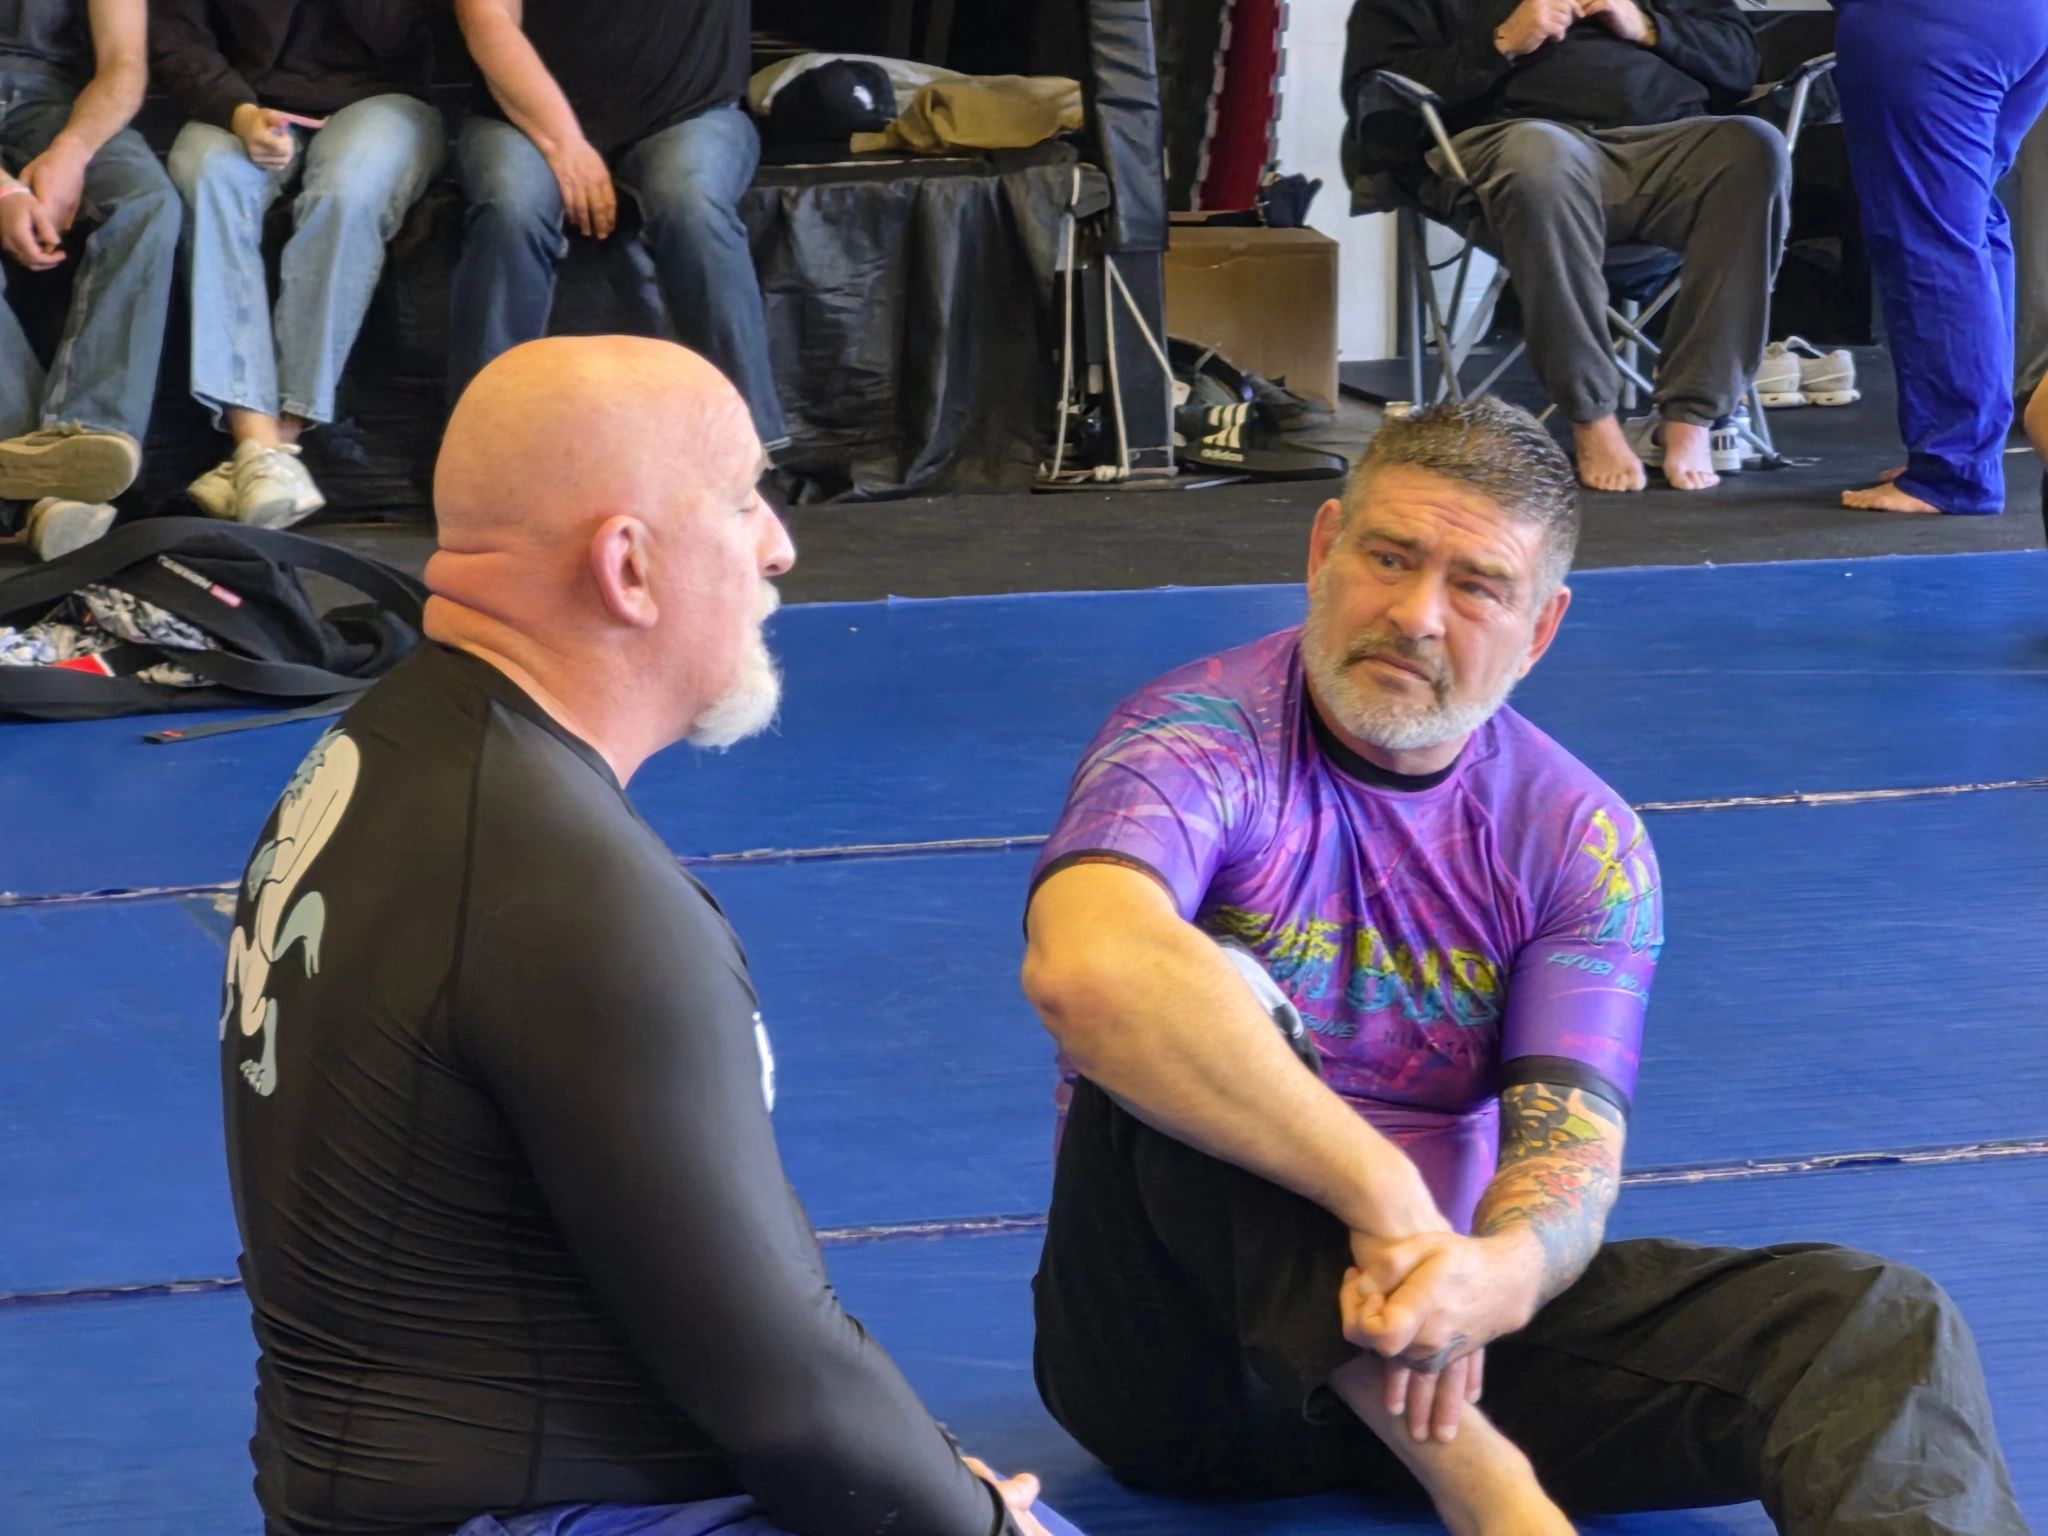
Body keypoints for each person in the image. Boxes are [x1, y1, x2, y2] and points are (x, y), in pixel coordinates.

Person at [1023, 397, 2027, 1532]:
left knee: (1872, 1320)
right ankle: (1490, 1496)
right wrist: (1380, 1191)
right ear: (1321, 550)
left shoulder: (1576, 837)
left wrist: (1494, 1274)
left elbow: (1568, 1141)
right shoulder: (1195, 739)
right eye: (1388, 559)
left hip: (1451, 1344)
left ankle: (1454, 1416)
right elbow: (1085, 967)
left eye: (1473, 587)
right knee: (1201, 1006)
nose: (1413, 616)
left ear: (1539, 627)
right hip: (1187, 1372)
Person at [217, 335, 1064, 1536]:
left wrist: (918, 1472)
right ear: (629, 566)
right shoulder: (569, 893)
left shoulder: (388, 748)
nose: (779, 543)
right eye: (742, 501)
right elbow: (791, 1398)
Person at [1345, 0, 1786, 494]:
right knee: (1541, 154)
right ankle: (1591, 414)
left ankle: (1692, 416)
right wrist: (1501, 42)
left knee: (1753, 148)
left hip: (1664, 142)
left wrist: (1649, 28)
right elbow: (1378, 89)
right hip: (1513, 142)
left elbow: (1740, 61)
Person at [449, 0, 788, 458]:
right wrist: (563, 142)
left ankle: (752, 454)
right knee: (512, 209)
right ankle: (483, 456)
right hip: (522, 117)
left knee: (692, 206)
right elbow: (486, 16)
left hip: (685, 112)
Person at [152, 0, 445, 528]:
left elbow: (409, 36)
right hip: (241, 101)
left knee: (347, 195)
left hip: (383, 99)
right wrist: (238, 112)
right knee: (205, 175)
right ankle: (255, 439)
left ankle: (275, 445)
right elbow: (177, 39)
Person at [1834, 0, 2048, 516]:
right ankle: (1966, 453)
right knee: (1967, 219)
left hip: (1930, 20)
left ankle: (1953, 471)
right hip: (2023, 21)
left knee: (1929, 237)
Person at [1, 0, 179, 557]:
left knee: (148, 203)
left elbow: (124, 64)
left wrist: (71, 152)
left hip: (53, 101)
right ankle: (41, 487)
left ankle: (87, 436)